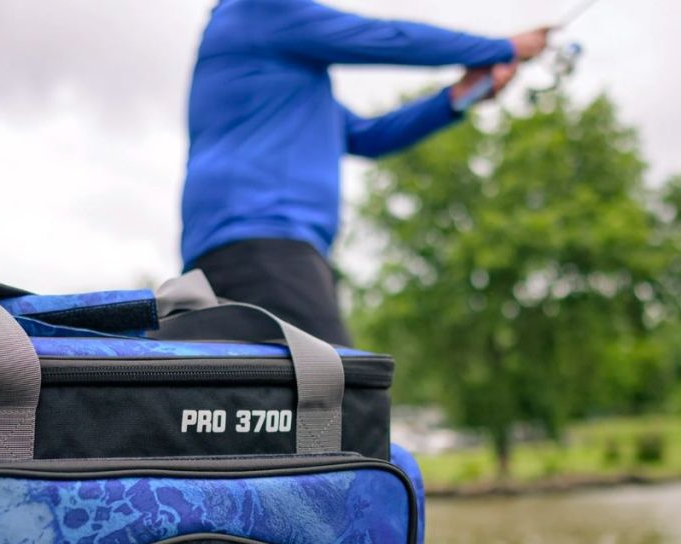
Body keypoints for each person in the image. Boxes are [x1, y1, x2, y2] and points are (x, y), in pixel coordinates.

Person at [180, 0, 549, 345]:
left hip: (245, 250)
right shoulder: (263, 10)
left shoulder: (273, 71)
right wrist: (503, 48)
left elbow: (369, 136)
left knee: (252, 401)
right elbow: (386, 38)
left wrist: (458, 97)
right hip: (264, 244)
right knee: (342, 395)